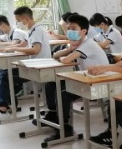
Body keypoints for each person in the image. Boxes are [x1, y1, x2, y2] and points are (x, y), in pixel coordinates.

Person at [42, 14, 110, 142]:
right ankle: (53, 114)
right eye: (68, 28)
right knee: (51, 83)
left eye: (73, 28)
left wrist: (67, 54)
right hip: (86, 79)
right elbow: (55, 55)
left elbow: (66, 60)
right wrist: (70, 49)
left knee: (63, 92)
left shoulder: (88, 44)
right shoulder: (80, 43)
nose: (70, 31)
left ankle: (64, 129)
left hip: (99, 82)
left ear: (83, 31)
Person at [0, 7, 51, 123]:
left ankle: (2, 111)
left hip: (39, 67)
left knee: (4, 75)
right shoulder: (32, 30)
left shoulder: (37, 30)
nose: (18, 23)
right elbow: (22, 44)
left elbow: (35, 50)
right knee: (2, 73)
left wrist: (11, 48)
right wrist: (5, 48)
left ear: (26, 19)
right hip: (33, 64)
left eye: (18, 20)